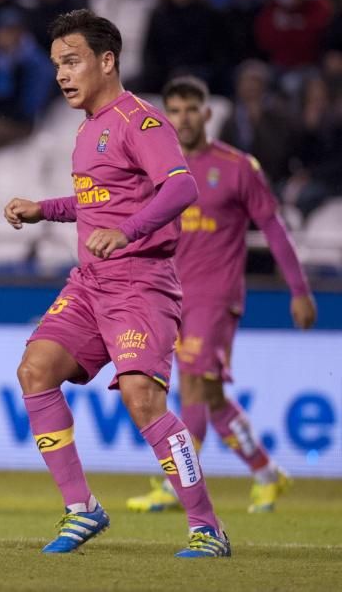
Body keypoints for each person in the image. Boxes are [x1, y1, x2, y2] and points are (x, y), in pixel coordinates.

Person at [3, 10, 230, 558]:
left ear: (107, 62)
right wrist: (44, 210)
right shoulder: (85, 131)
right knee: (35, 370)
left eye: (72, 61)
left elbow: (180, 189)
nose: (62, 74)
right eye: (58, 64)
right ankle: (82, 509)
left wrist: (126, 233)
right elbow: (93, 204)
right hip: (90, 284)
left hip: (140, 283)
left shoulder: (141, 121)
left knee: (141, 398)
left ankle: (207, 528)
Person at [127, 76, 316, 514]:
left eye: (192, 109)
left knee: (192, 384)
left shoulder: (236, 167)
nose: (184, 118)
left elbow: (272, 227)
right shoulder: (161, 169)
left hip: (217, 295)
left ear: (208, 114)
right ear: (166, 116)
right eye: (175, 110)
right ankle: (267, 475)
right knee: (210, 396)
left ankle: (178, 484)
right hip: (173, 296)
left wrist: (299, 290)